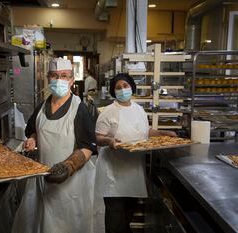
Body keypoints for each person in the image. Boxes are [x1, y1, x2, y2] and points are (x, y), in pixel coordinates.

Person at [12, 58, 96, 233]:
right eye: (55, 75)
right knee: (44, 223)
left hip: (71, 184)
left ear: (72, 80)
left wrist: (69, 166)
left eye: (65, 76)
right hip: (43, 179)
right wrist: (33, 138)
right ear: (48, 79)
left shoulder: (79, 109)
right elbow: (32, 129)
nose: (59, 80)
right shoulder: (42, 107)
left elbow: (88, 147)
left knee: (68, 224)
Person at [93, 73, 176, 233]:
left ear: (132, 87)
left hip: (133, 172)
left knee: (128, 215)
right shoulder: (108, 112)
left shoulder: (139, 110)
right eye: (118, 87)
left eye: (125, 86)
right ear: (113, 91)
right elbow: (97, 137)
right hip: (113, 174)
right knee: (115, 220)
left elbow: (146, 132)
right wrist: (109, 142)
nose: (123, 90)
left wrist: (163, 134)